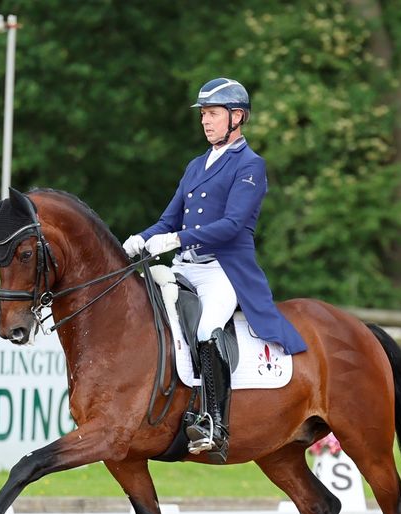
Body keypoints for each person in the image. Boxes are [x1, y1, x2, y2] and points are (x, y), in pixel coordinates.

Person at [122, 77, 307, 464]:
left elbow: (233, 225)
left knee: (207, 329)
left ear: (236, 117)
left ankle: (214, 423)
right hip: (186, 267)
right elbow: (168, 219)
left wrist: (175, 240)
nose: (206, 121)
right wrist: (140, 237)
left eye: (213, 114)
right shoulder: (195, 165)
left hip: (225, 270)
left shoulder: (251, 166)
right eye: (204, 114)